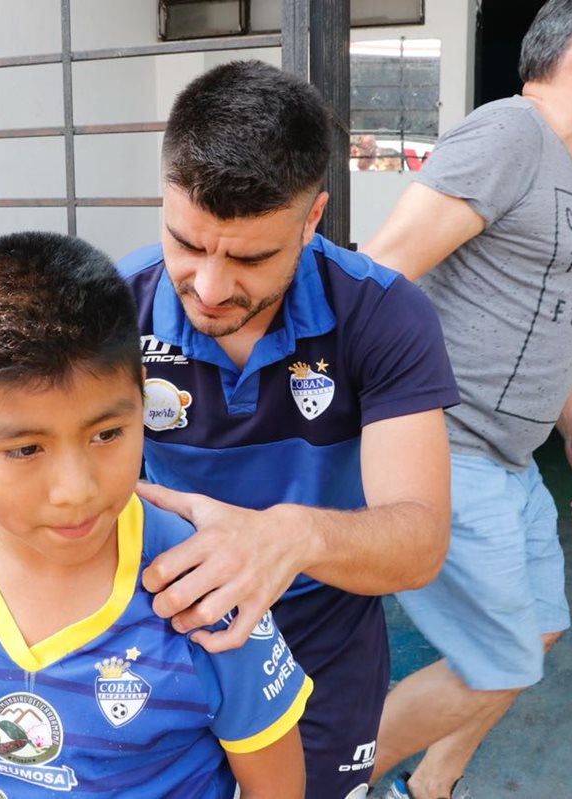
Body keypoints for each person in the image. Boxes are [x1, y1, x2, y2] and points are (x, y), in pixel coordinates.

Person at [0, 232, 312, 799]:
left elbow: (274, 780)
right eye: (26, 449)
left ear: (141, 399)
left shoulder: (201, 581)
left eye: (107, 434)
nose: (76, 491)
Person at [118, 60, 459, 798]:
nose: (210, 287)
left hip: (323, 649)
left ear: (312, 218)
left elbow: (420, 541)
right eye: (186, 243)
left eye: (250, 257)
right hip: (164, 631)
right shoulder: (111, 309)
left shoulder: (383, 315)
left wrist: (291, 536)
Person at [361, 2, 572, 796]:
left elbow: (536, 318)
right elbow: (380, 275)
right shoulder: (508, 136)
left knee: (542, 628)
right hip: (451, 451)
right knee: (500, 661)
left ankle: (430, 786)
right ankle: (324, 781)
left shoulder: (570, 168)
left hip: (510, 460)